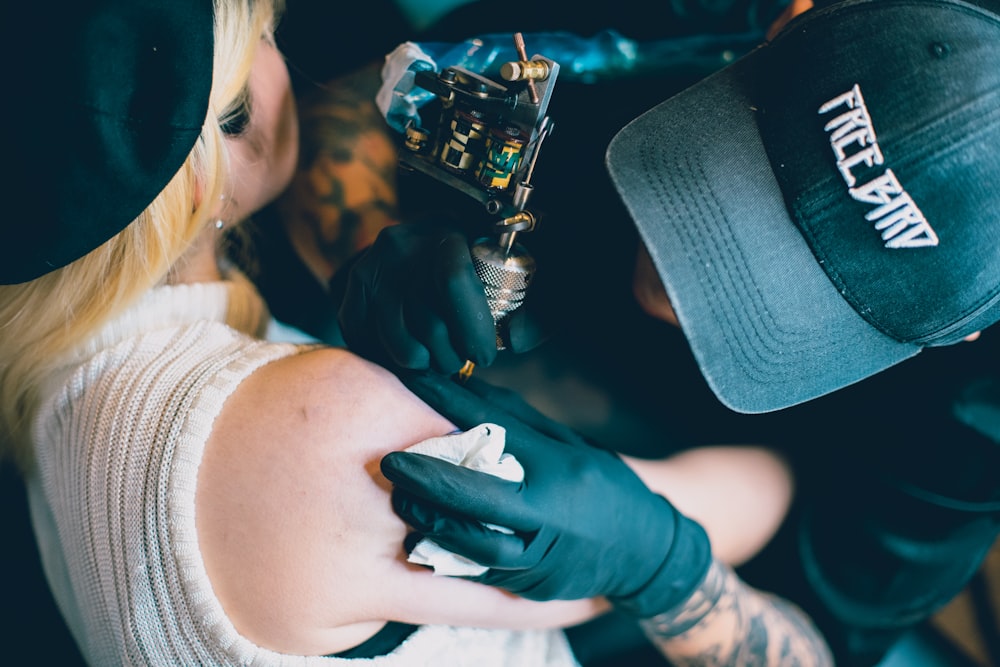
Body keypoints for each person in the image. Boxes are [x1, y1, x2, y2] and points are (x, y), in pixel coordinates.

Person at [0, 1, 811, 665]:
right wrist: (658, 550)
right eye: (269, 38)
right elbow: (759, 498)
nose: (288, 53)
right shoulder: (323, 442)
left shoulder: (51, 359)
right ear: (227, 143)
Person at [325, 0, 1000, 664]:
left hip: (710, 506)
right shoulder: (687, 20)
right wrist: (359, 242)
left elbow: (814, 644)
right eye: (732, 182)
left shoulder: (977, 405)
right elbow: (352, 102)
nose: (681, 288)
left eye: (788, 291)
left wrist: (663, 569)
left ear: (958, 335)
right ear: (789, 20)